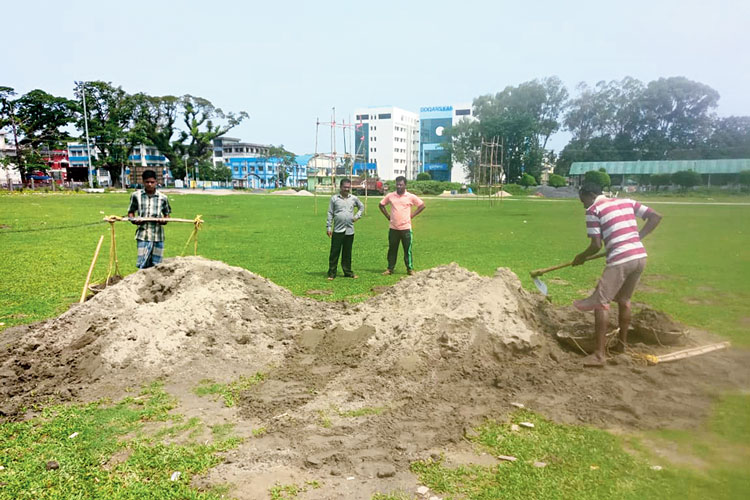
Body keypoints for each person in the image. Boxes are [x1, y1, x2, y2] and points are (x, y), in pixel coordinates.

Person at [572, 182, 662, 366]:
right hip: (639, 257)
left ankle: (599, 355)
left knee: (601, 302)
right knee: (624, 300)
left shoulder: (593, 210)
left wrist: (580, 257)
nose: (583, 205)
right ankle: (621, 346)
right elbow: (655, 216)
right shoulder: (627, 201)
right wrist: (636, 238)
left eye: (583, 201)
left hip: (621, 259)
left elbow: (596, 245)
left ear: (589, 195)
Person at [379, 176, 425, 276]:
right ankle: (390, 269)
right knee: (392, 249)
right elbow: (381, 205)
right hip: (393, 228)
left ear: (405, 185)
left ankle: (410, 269)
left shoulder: (410, 196)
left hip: (406, 229)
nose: (399, 186)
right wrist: (388, 216)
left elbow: (422, 205)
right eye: (397, 184)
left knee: (407, 250)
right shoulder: (391, 196)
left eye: (401, 185)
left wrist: (412, 215)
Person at [127, 169, 171, 269]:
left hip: (158, 235)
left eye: (152, 182)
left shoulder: (163, 198)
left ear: (156, 182)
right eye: (147, 182)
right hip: (143, 234)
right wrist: (134, 220)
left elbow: (167, 214)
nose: (150, 184)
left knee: (157, 266)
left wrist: (164, 220)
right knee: (142, 264)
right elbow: (130, 212)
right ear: (143, 182)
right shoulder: (136, 196)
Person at [326, 178, 364, 280]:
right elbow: (330, 213)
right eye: (345, 187)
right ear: (340, 187)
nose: (347, 189)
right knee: (334, 252)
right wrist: (329, 227)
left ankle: (348, 272)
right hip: (338, 230)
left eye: (348, 187)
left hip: (349, 230)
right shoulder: (334, 199)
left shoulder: (353, 198)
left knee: (347, 253)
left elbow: (361, 207)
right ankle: (332, 273)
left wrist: (357, 216)